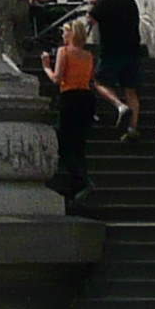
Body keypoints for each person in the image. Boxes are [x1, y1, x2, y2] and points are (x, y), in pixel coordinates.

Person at [87, 0, 147, 137]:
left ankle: (120, 106)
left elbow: (90, 20)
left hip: (111, 51)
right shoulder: (131, 2)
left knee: (99, 82)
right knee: (131, 90)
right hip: (133, 51)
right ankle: (133, 129)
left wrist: (94, 7)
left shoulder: (105, 2)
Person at [49, 19, 100, 194]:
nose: (63, 35)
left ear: (71, 34)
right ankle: (81, 180)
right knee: (79, 144)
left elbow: (57, 78)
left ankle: (80, 181)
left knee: (65, 144)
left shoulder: (64, 52)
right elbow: (91, 78)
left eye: (65, 32)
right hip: (86, 97)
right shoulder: (88, 55)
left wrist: (46, 67)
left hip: (69, 97)